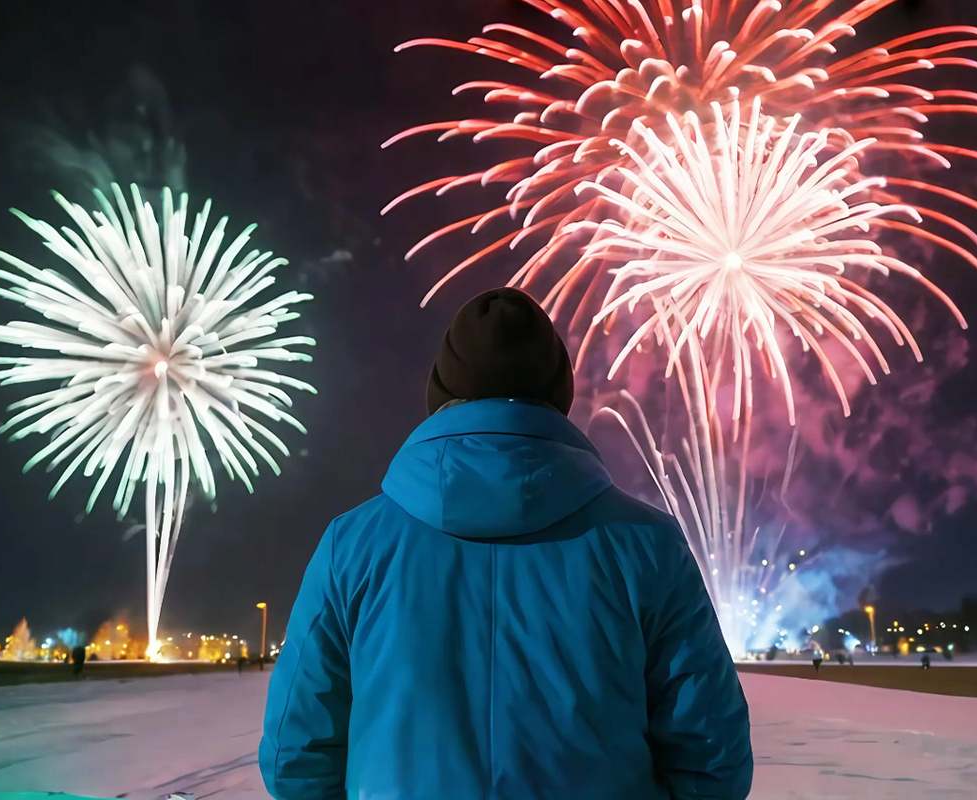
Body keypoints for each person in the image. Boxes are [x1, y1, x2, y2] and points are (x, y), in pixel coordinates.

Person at [260, 288, 753, 800]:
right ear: (559, 392)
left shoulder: (352, 546)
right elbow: (713, 758)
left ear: (441, 391)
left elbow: (294, 756)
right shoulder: (648, 545)